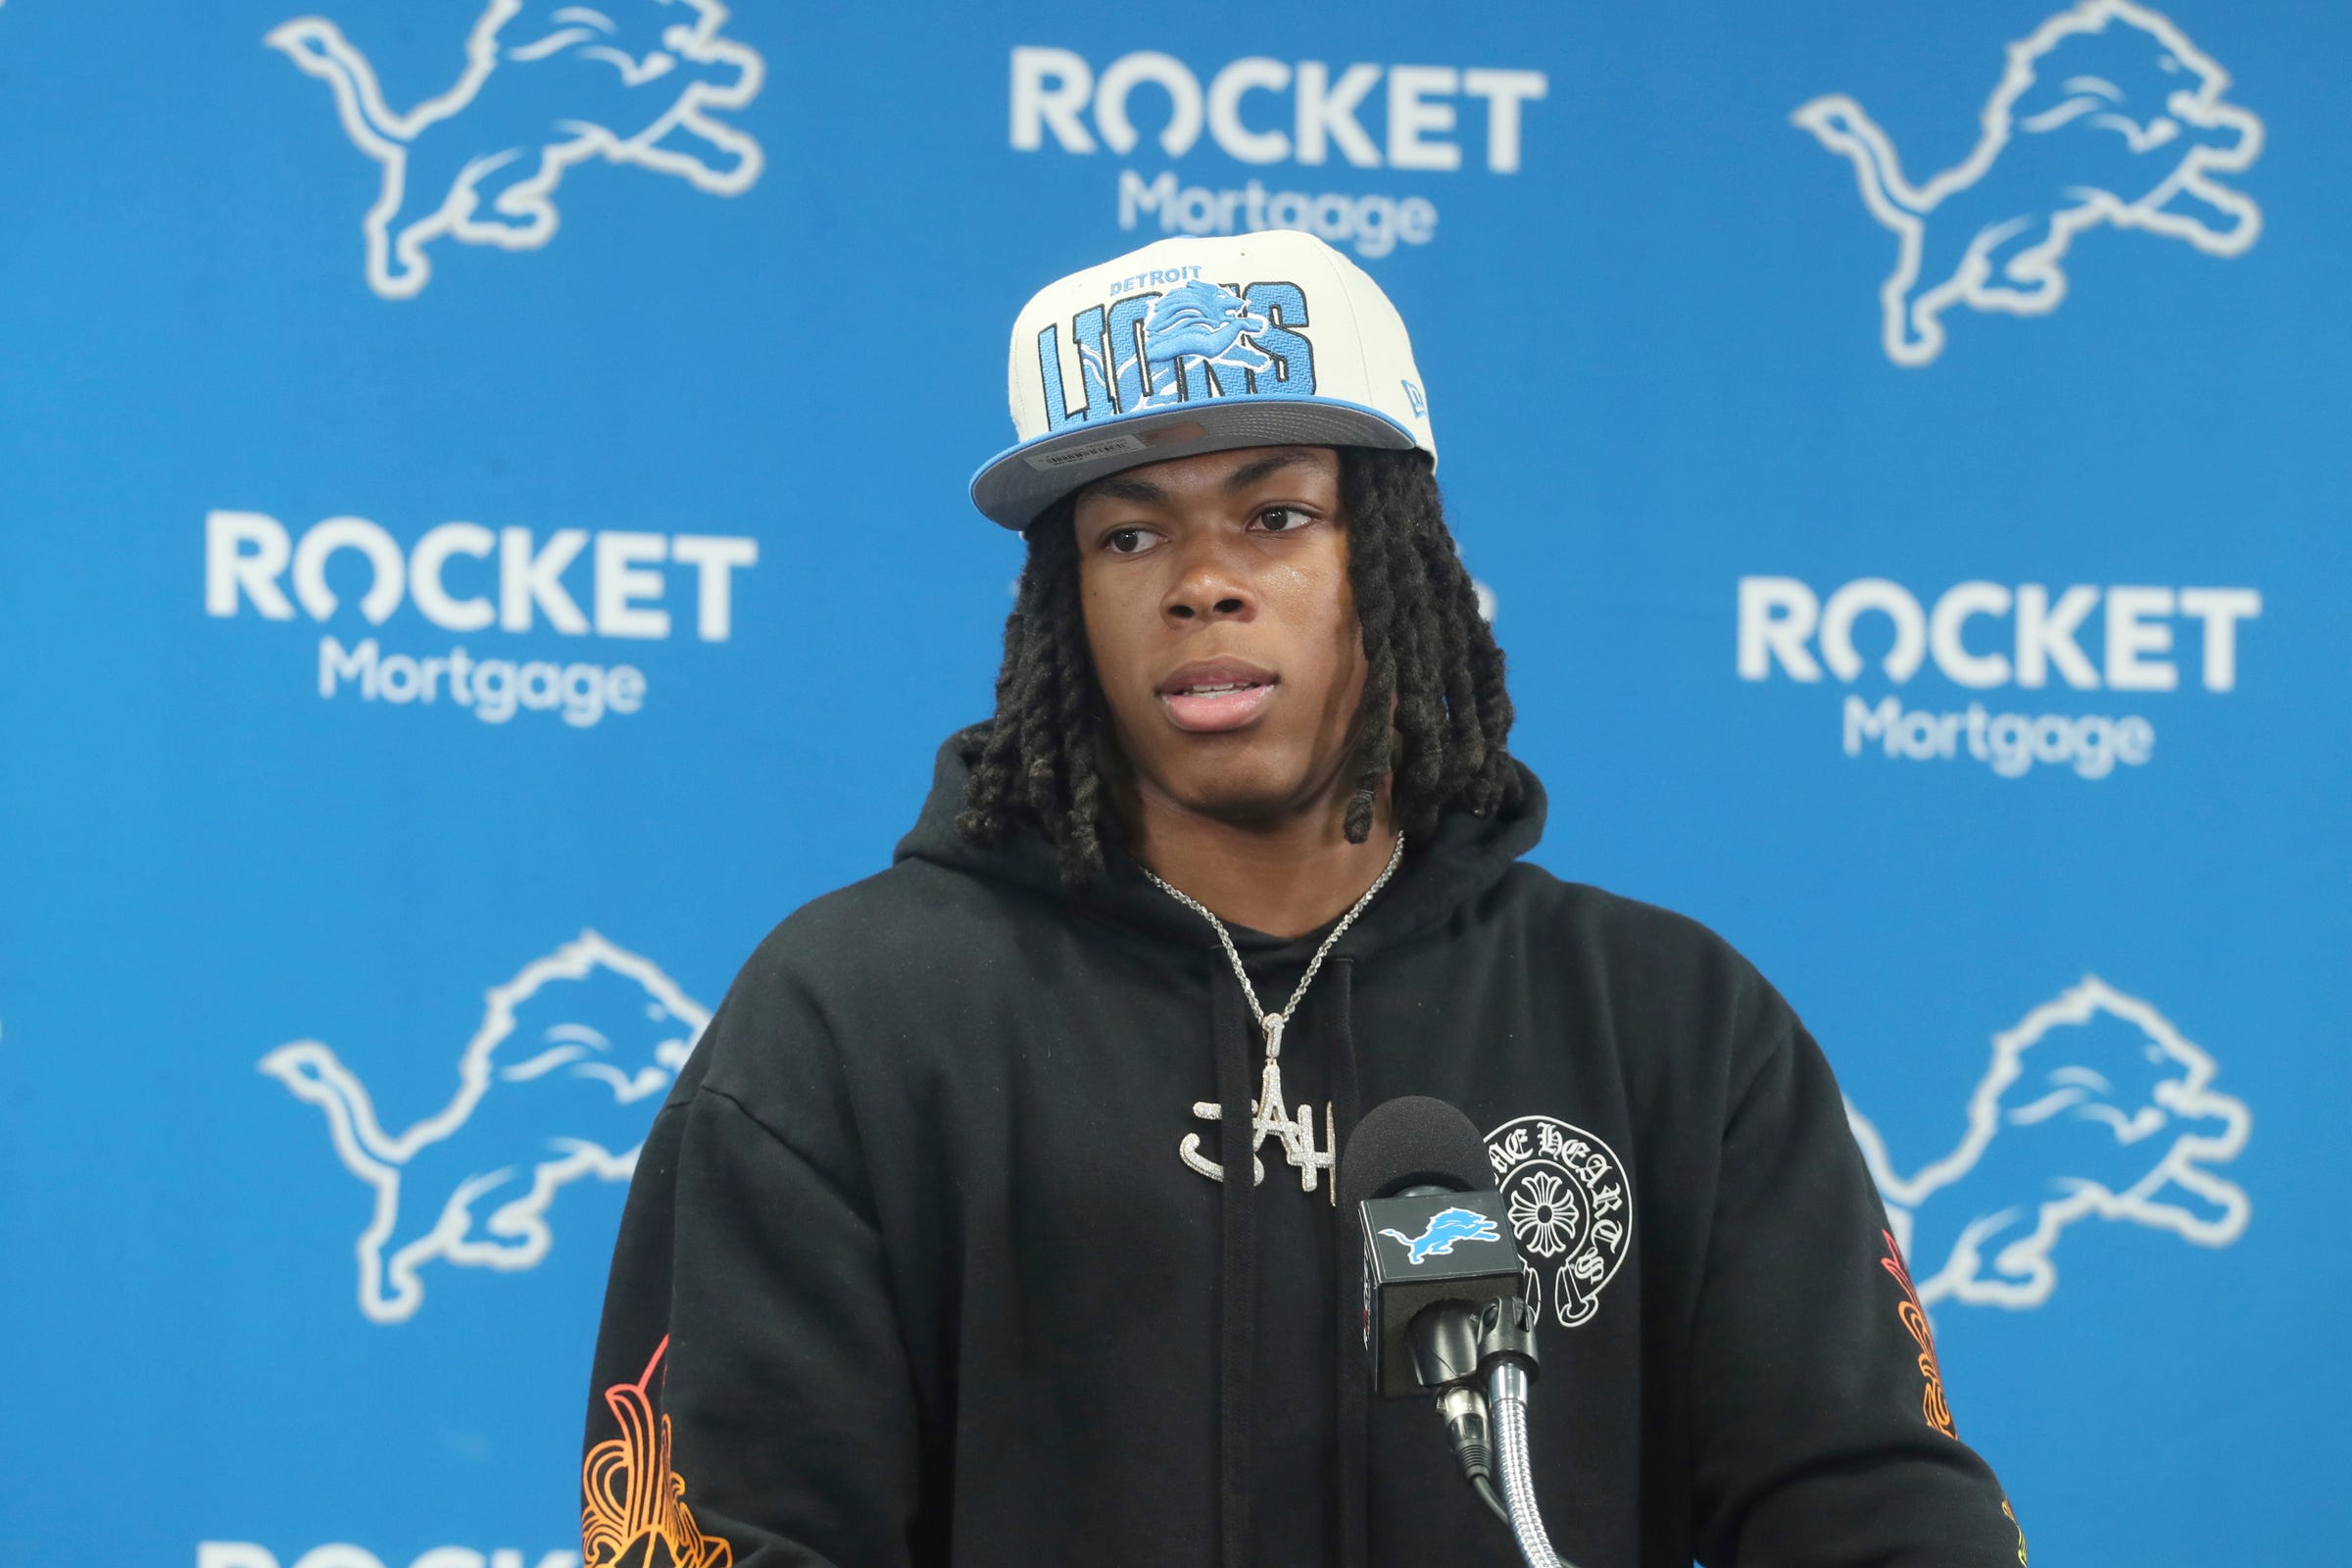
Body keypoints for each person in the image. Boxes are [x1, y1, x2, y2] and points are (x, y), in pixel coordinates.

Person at [581, 231, 2026, 1568]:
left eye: (1275, 514)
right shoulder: (855, 1020)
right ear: (1065, 601)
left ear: (1396, 564)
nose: (1202, 583)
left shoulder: (1671, 1024)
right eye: (1129, 537)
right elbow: (735, 1526)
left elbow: (1874, 1516)